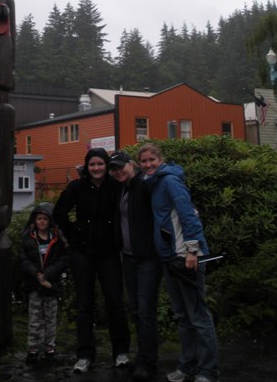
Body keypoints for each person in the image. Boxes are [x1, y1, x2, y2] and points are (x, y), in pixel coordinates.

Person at [138, 143, 220, 382]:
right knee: (183, 316)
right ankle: (188, 366)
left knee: (198, 316)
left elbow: (187, 214)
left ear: (161, 159)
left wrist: (193, 251)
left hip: (186, 257)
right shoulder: (152, 184)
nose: (148, 164)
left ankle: (209, 371)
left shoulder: (170, 181)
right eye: (143, 161)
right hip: (169, 259)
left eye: (152, 159)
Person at [53, 147, 130, 373]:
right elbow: (59, 212)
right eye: (92, 164)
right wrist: (73, 233)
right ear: (87, 167)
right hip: (82, 253)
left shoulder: (116, 187)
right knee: (85, 303)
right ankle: (85, 354)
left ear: (107, 166)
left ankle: (121, 352)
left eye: (100, 164)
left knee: (115, 301)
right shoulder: (77, 187)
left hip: (109, 253)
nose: (96, 168)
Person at [109, 150, 163, 381]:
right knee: (136, 308)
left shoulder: (144, 185)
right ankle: (143, 355)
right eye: (115, 168)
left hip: (148, 257)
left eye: (122, 166)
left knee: (146, 309)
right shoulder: (123, 188)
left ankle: (147, 360)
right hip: (129, 257)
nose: (118, 171)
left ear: (132, 165)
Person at [18, 202, 70, 364]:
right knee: (35, 319)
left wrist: (47, 274)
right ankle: (33, 348)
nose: (41, 222)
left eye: (45, 219)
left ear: (50, 221)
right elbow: (23, 260)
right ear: (34, 220)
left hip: (51, 284)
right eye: (38, 218)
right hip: (34, 284)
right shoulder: (27, 238)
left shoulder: (57, 239)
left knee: (50, 318)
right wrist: (36, 274)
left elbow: (64, 258)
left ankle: (49, 347)